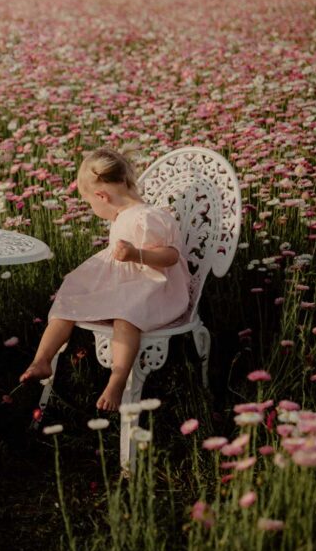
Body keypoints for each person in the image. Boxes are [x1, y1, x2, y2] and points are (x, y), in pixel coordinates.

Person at [20, 147, 190, 412]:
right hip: (125, 282)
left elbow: (169, 257)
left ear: (102, 195)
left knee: (126, 314)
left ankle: (117, 379)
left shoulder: (149, 217)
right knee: (70, 297)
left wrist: (136, 253)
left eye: (90, 202)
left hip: (154, 287)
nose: (92, 208)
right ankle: (41, 359)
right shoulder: (123, 215)